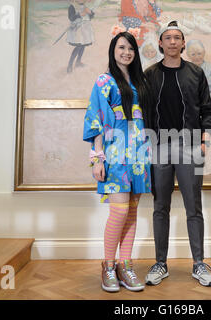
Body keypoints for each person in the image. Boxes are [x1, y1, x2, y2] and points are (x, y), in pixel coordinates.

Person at [143, 21, 211, 287]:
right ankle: (160, 264)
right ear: (160, 43)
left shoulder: (196, 73)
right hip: (159, 146)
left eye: (177, 38)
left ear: (183, 44)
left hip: (190, 146)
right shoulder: (149, 75)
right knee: (160, 207)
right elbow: (142, 112)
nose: (173, 42)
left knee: (193, 207)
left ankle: (199, 264)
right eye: (168, 38)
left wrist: (205, 141)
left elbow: (207, 111)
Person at [83, 31, 153, 292]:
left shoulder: (140, 82)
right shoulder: (104, 81)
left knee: (132, 212)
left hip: (139, 154)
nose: (126, 52)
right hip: (114, 153)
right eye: (121, 47)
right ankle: (109, 266)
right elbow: (96, 119)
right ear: (113, 50)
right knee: (119, 211)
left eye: (131, 48)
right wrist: (97, 159)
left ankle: (126, 265)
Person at [66, 0, 95, 73]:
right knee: (78, 46)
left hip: (85, 29)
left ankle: (78, 62)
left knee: (83, 45)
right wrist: (80, 14)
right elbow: (71, 18)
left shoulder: (85, 6)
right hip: (77, 30)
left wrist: (90, 13)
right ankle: (70, 65)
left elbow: (91, 16)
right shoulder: (72, 6)